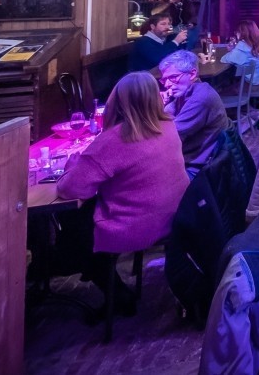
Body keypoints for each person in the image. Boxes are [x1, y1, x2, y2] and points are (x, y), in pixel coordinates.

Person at [56, 72, 189, 312]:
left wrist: (72, 165)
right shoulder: (167, 126)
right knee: (81, 219)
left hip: (134, 227)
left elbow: (69, 189)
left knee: (73, 226)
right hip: (172, 217)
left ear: (118, 101)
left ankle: (115, 293)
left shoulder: (114, 140)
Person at [158, 50, 229, 169]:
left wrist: (158, 112)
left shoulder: (200, 98)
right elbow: (168, 116)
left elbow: (169, 136)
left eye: (173, 78)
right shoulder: (185, 92)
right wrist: (162, 106)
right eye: (164, 79)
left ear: (192, 74)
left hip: (199, 167)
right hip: (191, 156)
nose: (167, 85)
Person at [220, 19, 259, 87]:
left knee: (224, 84)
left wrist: (233, 51)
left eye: (237, 32)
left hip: (251, 86)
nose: (236, 34)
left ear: (241, 33)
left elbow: (224, 59)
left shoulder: (242, 46)